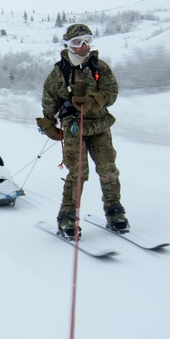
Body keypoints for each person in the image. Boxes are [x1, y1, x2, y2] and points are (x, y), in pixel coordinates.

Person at [37, 23, 129, 236]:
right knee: (78, 173)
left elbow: (111, 92)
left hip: (100, 125)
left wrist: (92, 101)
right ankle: (67, 217)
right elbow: (49, 99)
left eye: (86, 41)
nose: (82, 46)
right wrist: (49, 124)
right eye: (77, 42)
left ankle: (115, 211)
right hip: (74, 128)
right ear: (68, 45)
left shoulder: (100, 67)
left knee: (108, 169)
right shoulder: (59, 72)